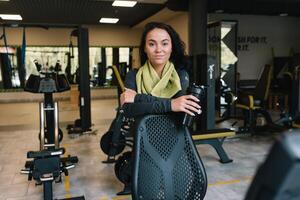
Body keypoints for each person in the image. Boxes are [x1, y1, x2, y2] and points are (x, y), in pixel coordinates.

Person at [120, 22, 202, 117]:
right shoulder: (133, 75)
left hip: (172, 131)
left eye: (164, 44)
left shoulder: (181, 74)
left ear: (172, 47)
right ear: (145, 48)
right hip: (140, 130)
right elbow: (128, 110)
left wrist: (137, 98)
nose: (159, 50)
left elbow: (181, 112)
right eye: (152, 44)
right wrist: (171, 104)